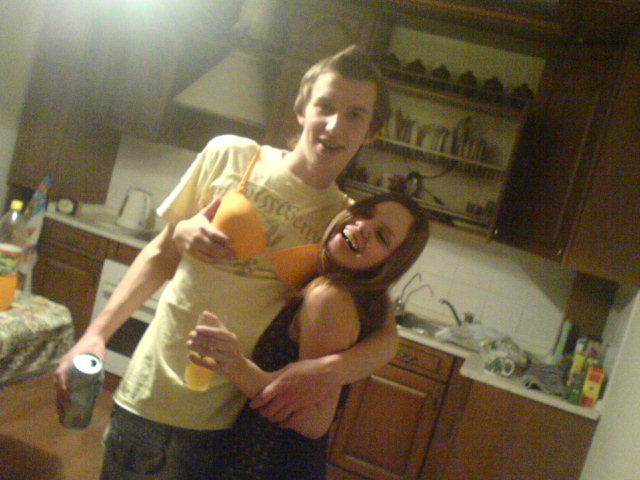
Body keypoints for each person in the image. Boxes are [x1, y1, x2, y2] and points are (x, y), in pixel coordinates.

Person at [54, 44, 396, 479]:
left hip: (231, 423)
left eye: (355, 115)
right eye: (325, 106)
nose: (334, 126)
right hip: (151, 394)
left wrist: (328, 370)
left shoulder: (344, 223)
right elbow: (160, 255)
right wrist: (95, 336)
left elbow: (387, 336)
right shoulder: (231, 155)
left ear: (371, 133)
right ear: (301, 110)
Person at [188, 193, 430, 479]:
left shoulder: (330, 296)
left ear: (389, 263)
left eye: (382, 236)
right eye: (365, 213)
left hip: (267, 462)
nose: (364, 226)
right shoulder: (345, 288)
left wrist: (235, 365)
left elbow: (315, 421)